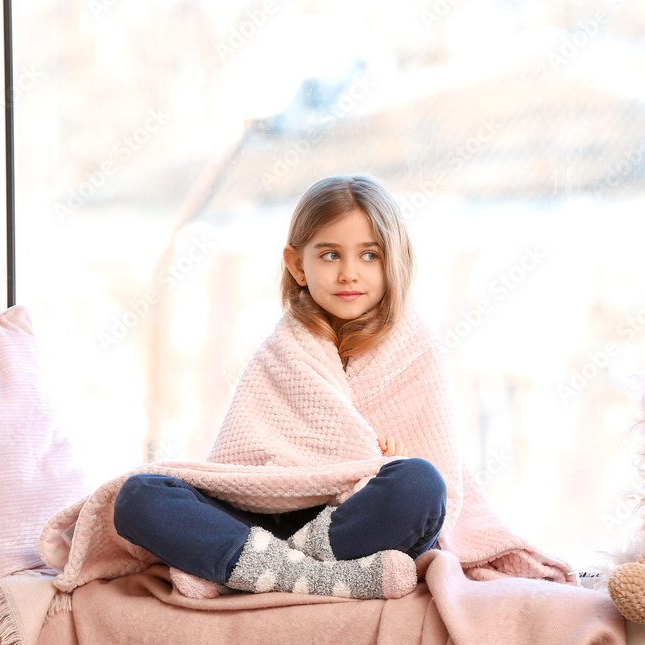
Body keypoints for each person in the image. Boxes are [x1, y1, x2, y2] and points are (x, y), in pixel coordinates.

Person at [113, 175, 449, 600]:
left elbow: (439, 481)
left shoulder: (416, 351)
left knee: (419, 484)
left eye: (369, 255)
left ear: (394, 262)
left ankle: (253, 568)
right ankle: (314, 577)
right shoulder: (282, 350)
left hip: (351, 523)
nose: (349, 273)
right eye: (330, 255)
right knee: (138, 496)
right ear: (297, 265)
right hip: (266, 519)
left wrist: (376, 464)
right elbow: (243, 468)